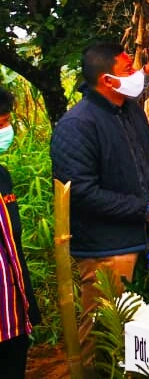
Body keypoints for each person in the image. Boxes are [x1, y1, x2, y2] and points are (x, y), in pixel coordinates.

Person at [50, 42, 149, 370]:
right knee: (105, 331)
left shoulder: (130, 110)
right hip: (107, 250)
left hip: (143, 237)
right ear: (106, 80)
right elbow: (81, 193)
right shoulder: (77, 125)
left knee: (140, 331)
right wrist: (145, 209)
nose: (135, 75)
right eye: (127, 70)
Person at [0, 88, 40, 379]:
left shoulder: (2, 175)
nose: (6, 130)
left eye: (6, 121)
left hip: (10, 313)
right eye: (0, 122)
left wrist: (28, 307)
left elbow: (12, 249)